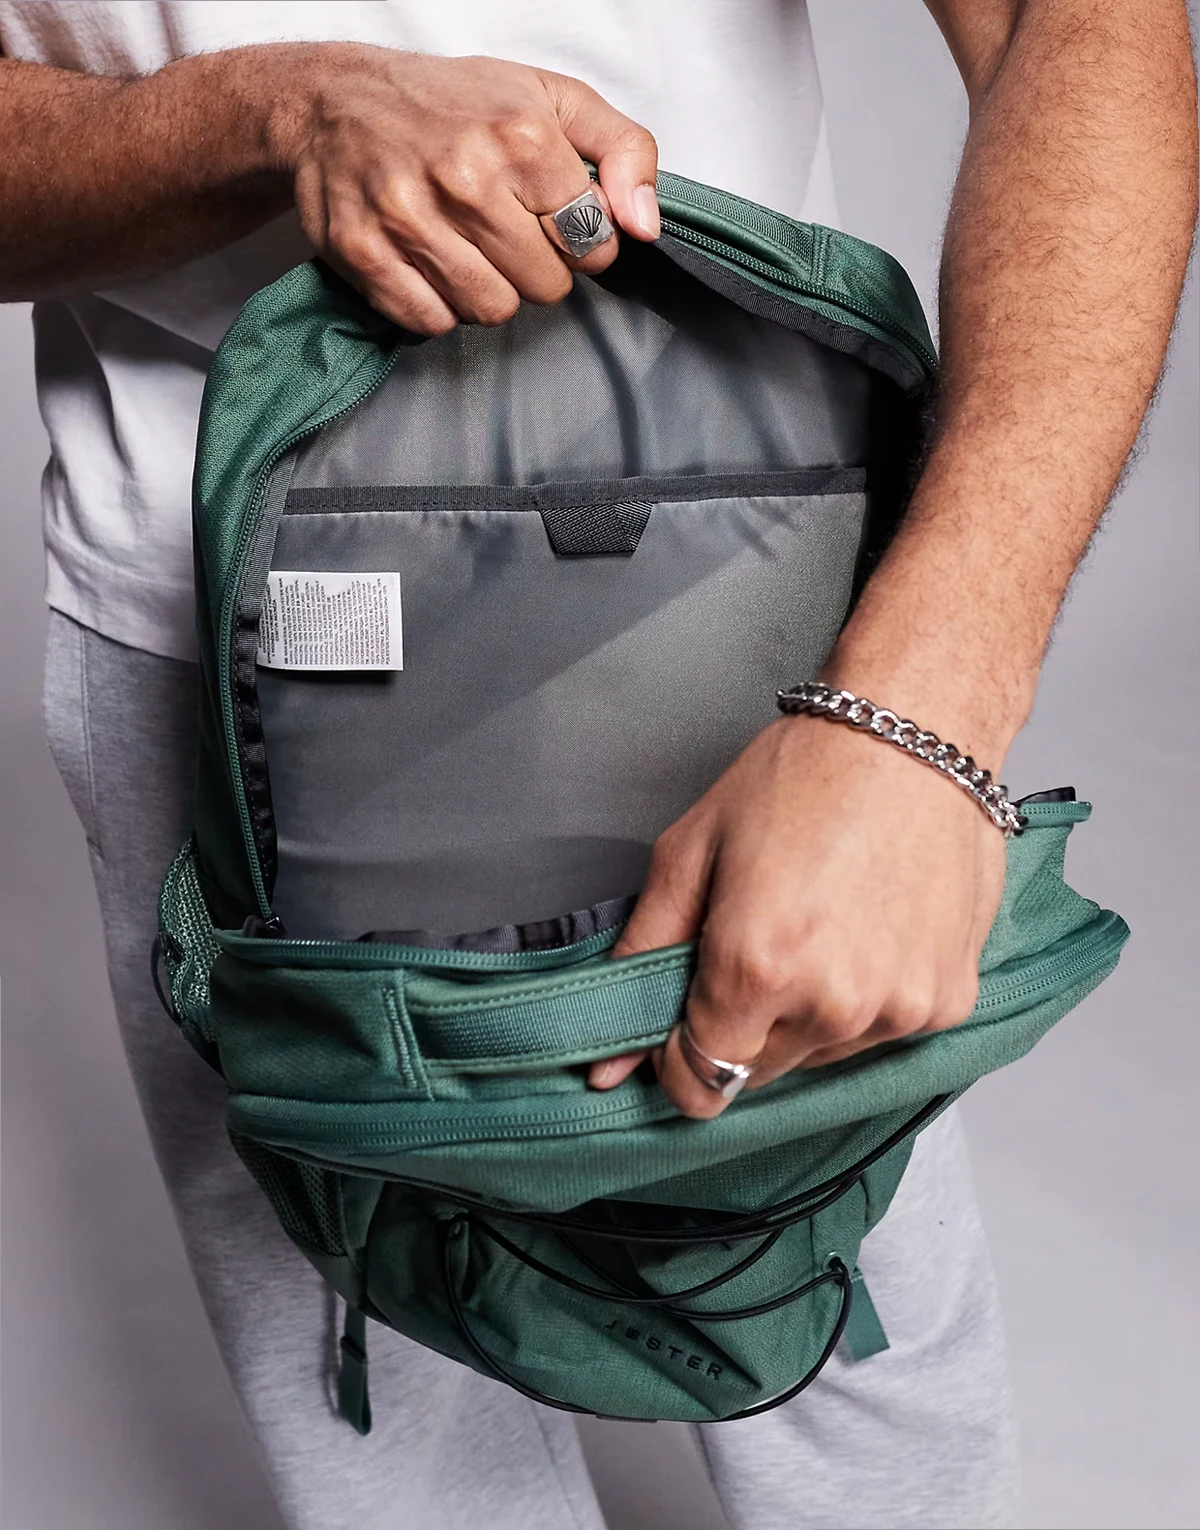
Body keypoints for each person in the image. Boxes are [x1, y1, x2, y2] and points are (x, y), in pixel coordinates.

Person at [0, 3, 1194, 1527]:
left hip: (758, 600)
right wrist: (271, 116)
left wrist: (921, 711)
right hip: (219, 637)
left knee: (837, 1300)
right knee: (393, 1415)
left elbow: (1073, 24)